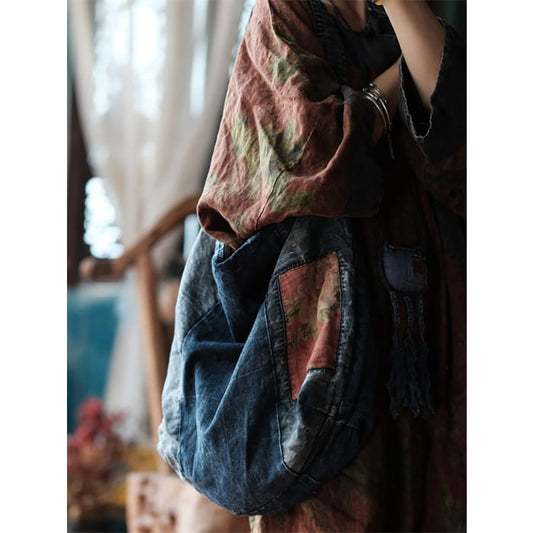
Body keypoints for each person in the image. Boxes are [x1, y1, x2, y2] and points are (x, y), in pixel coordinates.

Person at [182, 0, 466, 531]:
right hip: (320, 355)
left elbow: (461, 147)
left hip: (432, 344)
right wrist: (393, 87)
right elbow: (311, 158)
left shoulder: (407, 19)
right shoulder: (283, 13)